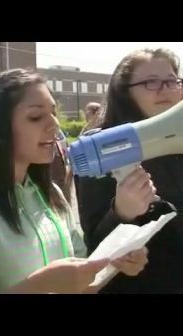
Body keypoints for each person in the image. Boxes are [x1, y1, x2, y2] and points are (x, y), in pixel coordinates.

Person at [0, 69, 148, 294]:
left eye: (53, 113)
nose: (55, 126)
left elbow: (78, 278)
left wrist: (112, 263)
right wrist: (41, 284)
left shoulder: (51, 194)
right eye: (35, 117)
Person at [75, 48, 183, 293]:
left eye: (172, 80)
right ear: (124, 93)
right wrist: (121, 213)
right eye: (152, 82)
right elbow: (94, 246)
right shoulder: (102, 145)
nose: (165, 88)